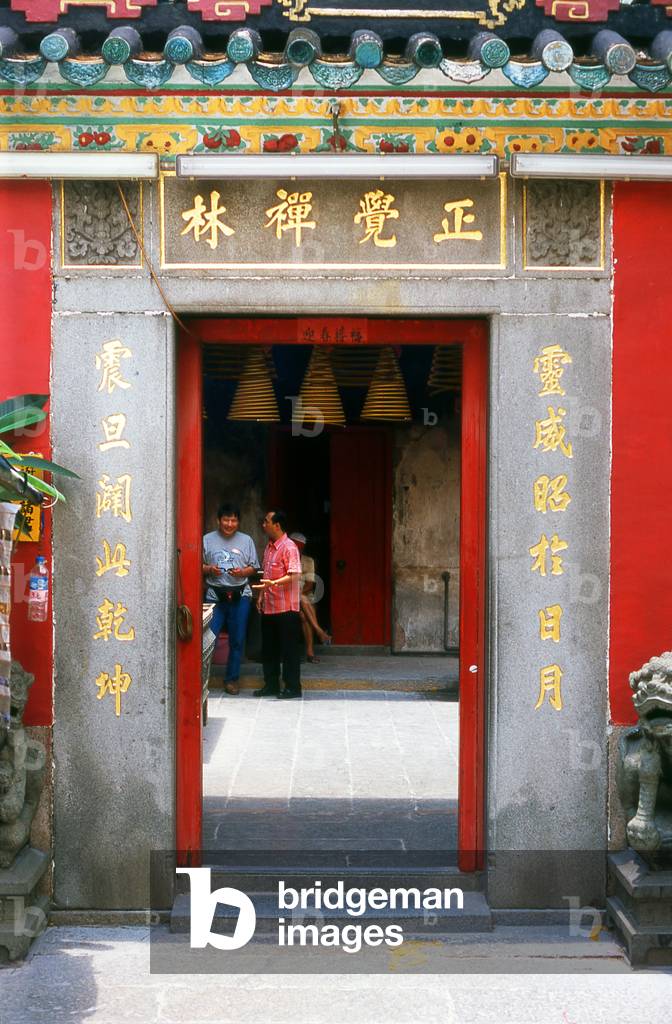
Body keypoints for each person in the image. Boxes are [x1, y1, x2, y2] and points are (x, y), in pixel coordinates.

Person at [202, 502, 259, 696]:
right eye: (226, 519)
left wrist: (242, 572)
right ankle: (202, 679)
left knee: (237, 639)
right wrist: (210, 569)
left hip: (240, 594)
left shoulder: (247, 540)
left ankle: (232, 679)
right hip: (214, 595)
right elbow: (196, 565)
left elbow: (254, 567)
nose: (229, 523)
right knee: (208, 639)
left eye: (233, 520)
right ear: (218, 520)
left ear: (238, 522)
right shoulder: (207, 539)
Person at [252, 509, 303, 699]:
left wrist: (274, 583)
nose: (263, 525)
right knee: (269, 649)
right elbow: (266, 575)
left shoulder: (289, 547)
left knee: (289, 650)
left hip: (286, 608)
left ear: (277, 525)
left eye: (266, 521)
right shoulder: (269, 547)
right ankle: (271, 684)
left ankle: (293, 687)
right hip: (270, 606)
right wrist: (261, 596)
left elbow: (294, 575)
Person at [289, 532, 332, 662]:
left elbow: (309, 584)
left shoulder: (308, 561)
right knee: (303, 603)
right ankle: (319, 631)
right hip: (286, 595)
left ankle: (310, 651)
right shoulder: (285, 559)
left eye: (299, 547)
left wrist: (299, 593)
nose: (297, 549)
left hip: (303, 594)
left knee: (303, 613)